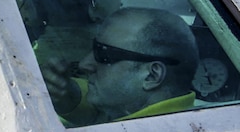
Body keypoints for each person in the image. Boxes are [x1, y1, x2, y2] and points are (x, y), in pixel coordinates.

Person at [41, 7, 198, 125]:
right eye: (94, 47)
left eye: (103, 55)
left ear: (152, 76)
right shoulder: (129, 115)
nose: (84, 64)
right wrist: (68, 95)